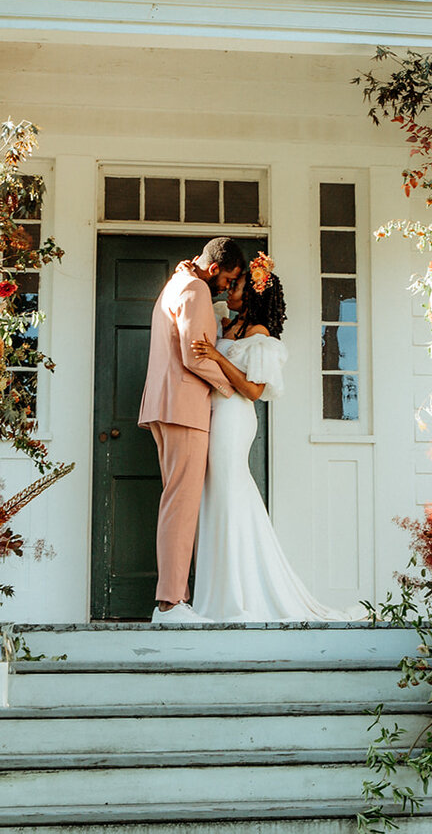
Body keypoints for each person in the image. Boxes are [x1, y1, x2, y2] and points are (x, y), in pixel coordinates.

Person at [189, 254, 351, 621]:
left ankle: (238, 594)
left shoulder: (259, 335)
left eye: (238, 286)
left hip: (234, 417)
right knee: (218, 494)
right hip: (214, 414)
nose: (229, 288)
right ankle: (220, 589)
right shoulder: (228, 324)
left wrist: (217, 354)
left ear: (255, 297)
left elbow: (255, 390)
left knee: (229, 490)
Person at [138, 236, 245, 624]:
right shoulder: (196, 287)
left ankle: (177, 597)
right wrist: (234, 388)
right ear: (214, 269)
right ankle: (169, 603)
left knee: (176, 503)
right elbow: (195, 354)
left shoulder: (178, 281)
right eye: (228, 279)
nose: (227, 288)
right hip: (183, 408)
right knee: (181, 506)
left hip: (164, 404)